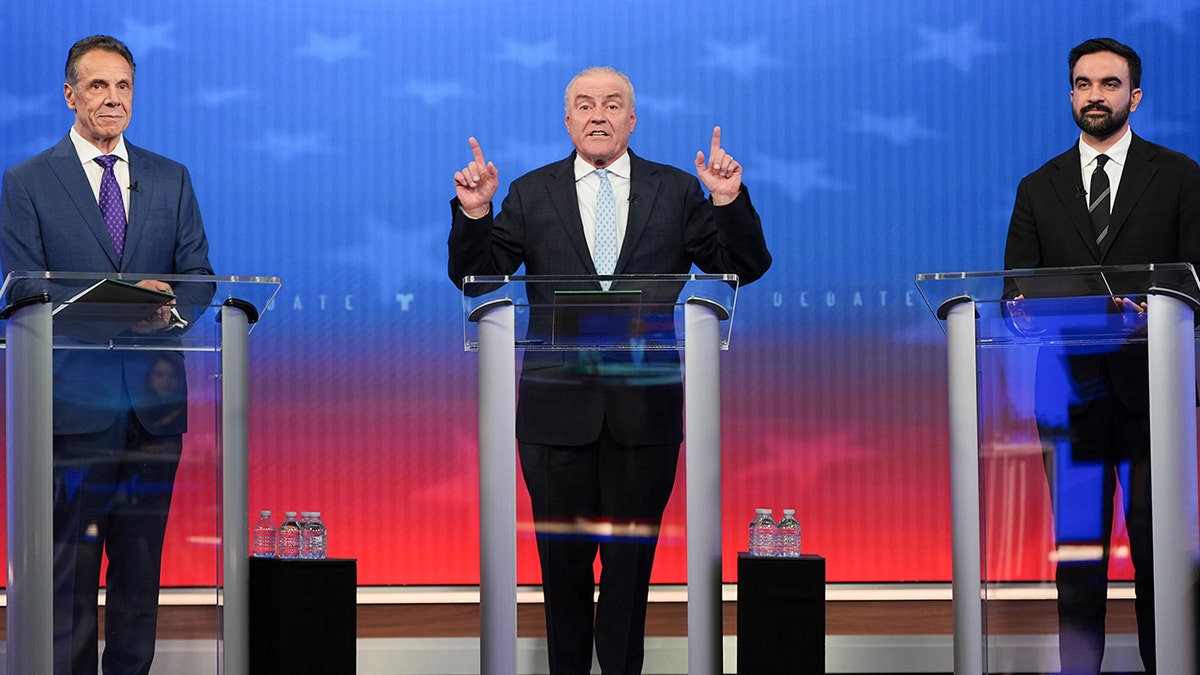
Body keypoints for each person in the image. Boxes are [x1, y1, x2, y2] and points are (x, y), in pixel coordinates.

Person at [449, 66, 771, 674]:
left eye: (612, 103)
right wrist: (475, 212)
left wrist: (726, 201)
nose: (598, 114)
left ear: (632, 119)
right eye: (585, 104)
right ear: (567, 119)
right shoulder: (531, 192)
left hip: (644, 410)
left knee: (630, 571)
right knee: (561, 569)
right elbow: (478, 278)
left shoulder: (676, 190)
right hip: (553, 413)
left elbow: (742, 266)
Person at [0, 35, 215, 675]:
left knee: (140, 565)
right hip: (73, 403)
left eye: (123, 86)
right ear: (70, 95)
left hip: (154, 404)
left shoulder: (170, 177)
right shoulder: (27, 182)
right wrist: (114, 303)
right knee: (70, 567)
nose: (112, 99)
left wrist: (168, 306)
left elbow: (198, 277)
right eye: (98, 86)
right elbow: (26, 287)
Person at [1004, 37, 1200, 674]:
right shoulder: (1039, 187)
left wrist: (1156, 311)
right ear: (1070, 95)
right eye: (1084, 84)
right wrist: (1021, 310)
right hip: (1069, 397)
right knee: (1079, 558)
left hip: (1154, 394)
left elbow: (1198, 282)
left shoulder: (1180, 177)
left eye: (1110, 84)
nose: (1095, 96)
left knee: (1159, 552)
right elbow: (1014, 291)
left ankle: (1168, 665)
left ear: (1134, 97)